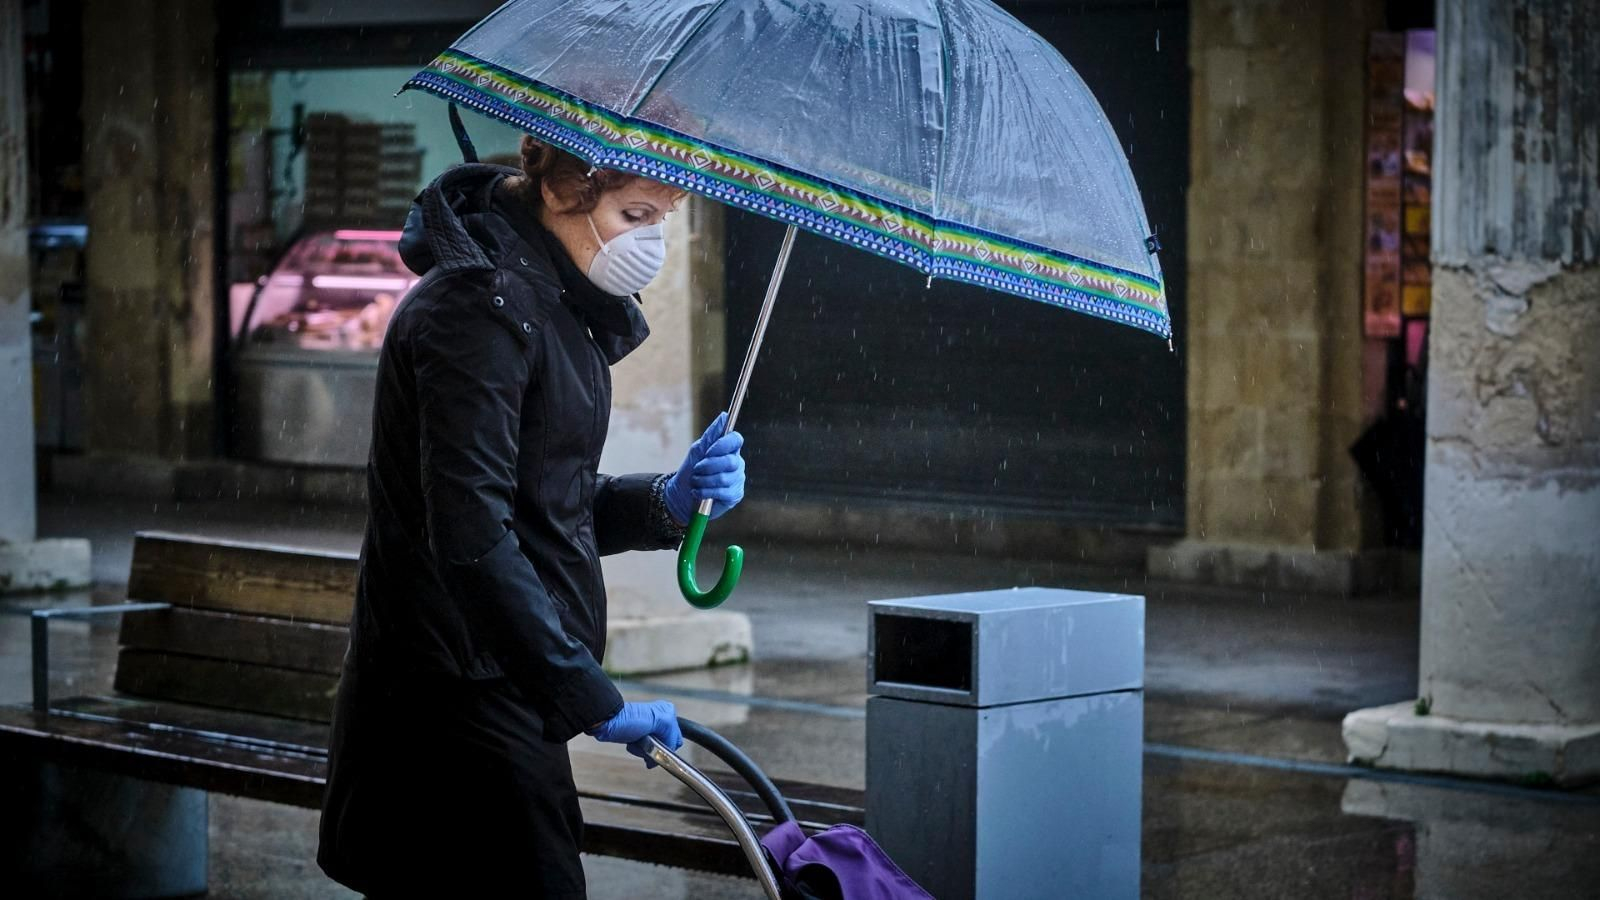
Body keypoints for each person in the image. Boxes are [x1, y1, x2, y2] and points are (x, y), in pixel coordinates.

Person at [317, 136, 747, 897]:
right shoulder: (478, 314)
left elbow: (548, 505)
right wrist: (590, 696)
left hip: (497, 683)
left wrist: (666, 502)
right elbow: (473, 536)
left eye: (665, 218)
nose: (651, 241)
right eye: (636, 213)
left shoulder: (547, 302)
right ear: (561, 192)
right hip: (451, 703)